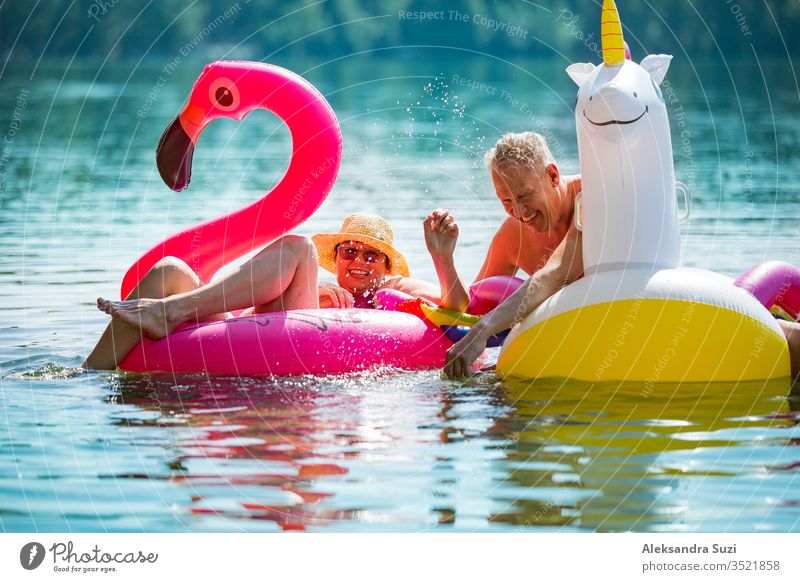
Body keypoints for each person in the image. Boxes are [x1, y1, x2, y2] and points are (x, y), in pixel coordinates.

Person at [439, 132, 800, 382]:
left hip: (659, 319)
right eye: (505, 201)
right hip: (590, 355)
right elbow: (473, 310)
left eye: (525, 195)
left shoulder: (596, 195)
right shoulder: (510, 237)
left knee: (787, 345)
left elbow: (556, 274)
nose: (519, 211)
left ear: (552, 175)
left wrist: (486, 330)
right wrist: (444, 258)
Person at [83, 212, 455, 370]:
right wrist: (317, 293)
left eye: (372, 255)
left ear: (387, 266)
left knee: (298, 247)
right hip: (266, 334)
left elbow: (453, 306)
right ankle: (89, 373)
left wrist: (443, 258)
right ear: (337, 258)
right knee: (170, 270)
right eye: (349, 251)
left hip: (303, 348)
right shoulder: (318, 287)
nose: (359, 261)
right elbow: (247, 321)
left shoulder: (390, 288)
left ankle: (172, 312)